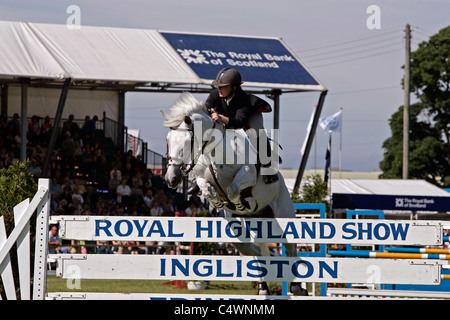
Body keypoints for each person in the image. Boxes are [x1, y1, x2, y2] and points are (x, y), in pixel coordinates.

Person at [188, 68, 278, 195]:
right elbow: (206, 109)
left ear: (234, 87)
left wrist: (220, 117)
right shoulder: (214, 94)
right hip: (225, 117)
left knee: (257, 131)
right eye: (218, 86)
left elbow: (239, 122)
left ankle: (269, 168)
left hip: (248, 116)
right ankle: (198, 176)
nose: (219, 89)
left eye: (223, 87)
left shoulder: (243, 99)